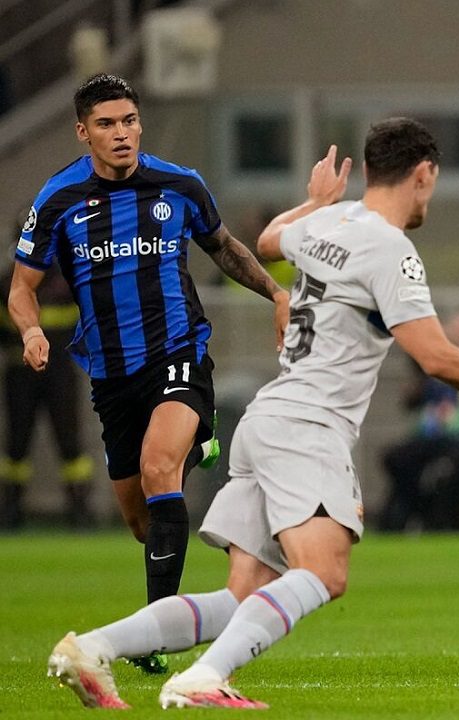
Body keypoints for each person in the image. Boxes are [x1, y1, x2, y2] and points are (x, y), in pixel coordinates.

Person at [46, 121, 459, 709]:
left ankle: (93, 647)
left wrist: (315, 201)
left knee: (241, 597)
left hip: (267, 419)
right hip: (308, 428)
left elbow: (268, 241)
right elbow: (436, 357)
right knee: (325, 573)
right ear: (423, 174)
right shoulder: (392, 250)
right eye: (431, 183)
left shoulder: (327, 222)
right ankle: (205, 677)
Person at [9, 74, 288, 673]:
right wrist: (31, 331)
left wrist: (276, 293)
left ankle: (152, 636)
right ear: (83, 132)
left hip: (177, 352)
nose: (122, 133)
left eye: (129, 121)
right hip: (111, 374)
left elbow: (224, 246)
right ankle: (199, 447)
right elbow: (21, 288)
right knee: (142, 521)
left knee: (160, 467)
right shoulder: (57, 199)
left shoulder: (179, 184)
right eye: (106, 124)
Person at [379, 310, 459, 531]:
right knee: (398, 458)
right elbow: (412, 396)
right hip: (438, 436)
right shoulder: (442, 369)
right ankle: (413, 512)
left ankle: (449, 521)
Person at [0, 259, 94, 530]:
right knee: (17, 443)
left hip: (60, 372)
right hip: (20, 371)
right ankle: (11, 507)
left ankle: (79, 507)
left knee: (70, 441)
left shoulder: (68, 282)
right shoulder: (7, 283)